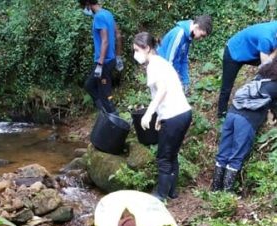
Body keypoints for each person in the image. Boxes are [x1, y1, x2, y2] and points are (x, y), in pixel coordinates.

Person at [134, 32, 192, 200]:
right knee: (171, 154)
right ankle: (172, 192)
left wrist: (149, 114)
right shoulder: (162, 62)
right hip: (183, 113)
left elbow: (162, 90)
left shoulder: (153, 66)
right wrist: (160, 116)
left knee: (163, 158)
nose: (135, 54)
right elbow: (171, 90)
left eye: (137, 50)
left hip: (174, 115)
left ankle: (160, 196)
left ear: (147, 48)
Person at [212, 57, 277, 192]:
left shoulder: (262, 74)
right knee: (236, 155)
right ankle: (227, 193)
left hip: (232, 113)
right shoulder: (275, 85)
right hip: (247, 120)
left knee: (223, 152)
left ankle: (215, 189)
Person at [217, 21, 277, 119]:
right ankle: (221, 113)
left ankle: (272, 104)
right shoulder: (266, 38)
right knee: (226, 86)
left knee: (273, 66)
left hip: (252, 51)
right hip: (233, 53)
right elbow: (265, 66)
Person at [79, 0, 123, 113]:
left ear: (88, 3)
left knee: (104, 94)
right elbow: (118, 35)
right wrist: (118, 57)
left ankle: (114, 120)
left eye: (83, 6)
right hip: (111, 59)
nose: (84, 9)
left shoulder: (98, 17)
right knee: (91, 86)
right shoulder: (108, 13)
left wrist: (99, 64)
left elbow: (105, 41)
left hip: (104, 62)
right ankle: (104, 113)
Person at [157, 15, 212, 94]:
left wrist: (185, 81)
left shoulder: (188, 37)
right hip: (161, 70)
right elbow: (169, 60)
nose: (201, 39)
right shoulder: (179, 33)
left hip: (170, 72)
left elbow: (183, 60)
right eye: (202, 35)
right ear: (196, 26)